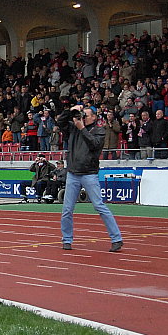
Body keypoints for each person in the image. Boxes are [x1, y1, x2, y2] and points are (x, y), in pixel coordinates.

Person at [55, 105, 123, 252]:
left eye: (85, 115)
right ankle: (67, 239)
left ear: (93, 117)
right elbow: (60, 122)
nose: (82, 118)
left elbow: (94, 144)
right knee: (67, 209)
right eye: (81, 115)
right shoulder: (73, 128)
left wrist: (82, 128)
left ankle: (116, 238)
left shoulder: (99, 131)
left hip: (89, 173)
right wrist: (70, 110)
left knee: (99, 206)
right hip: (73, 173)